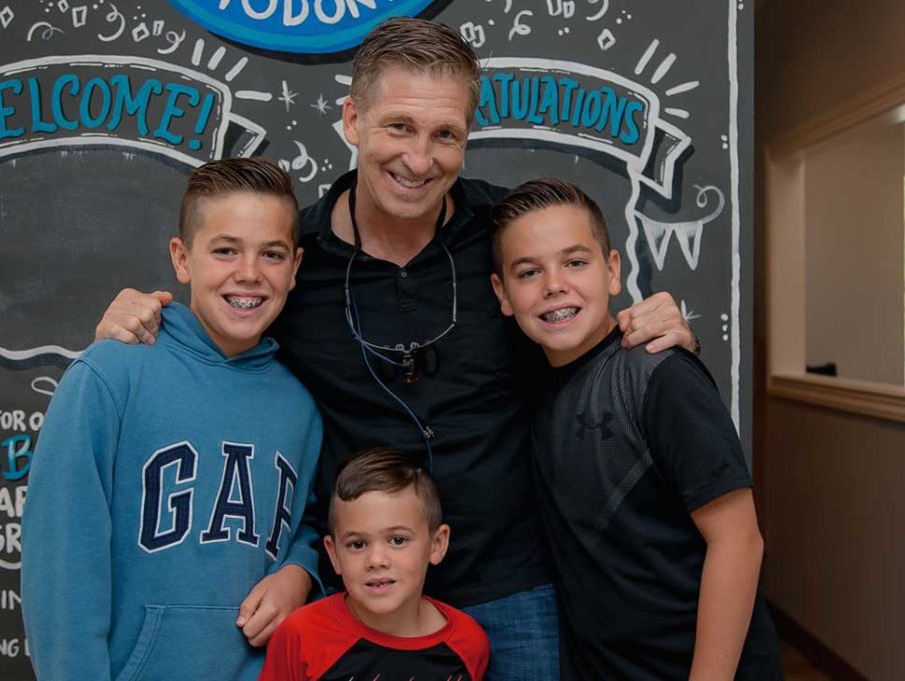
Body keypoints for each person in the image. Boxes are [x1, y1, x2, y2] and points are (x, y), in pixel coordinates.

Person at [93, 18, 695, 679]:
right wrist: (148, 320)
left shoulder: (508, 236)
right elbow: (224, 339)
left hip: (515, 585)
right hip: (358, 598)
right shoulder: (298, 260)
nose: (419, 158)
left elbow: (579, 318)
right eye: (399, 127)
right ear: (353, 119)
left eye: (445, 135)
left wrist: (647, 325)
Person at [21, 158, 324, 681]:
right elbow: (61, 572)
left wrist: (300, 569)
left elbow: (306, 525)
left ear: (294, 267)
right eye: (225, 250)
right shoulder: (111, 375)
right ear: (182, 259)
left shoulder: (298, 407)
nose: (248, 273)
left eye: (270, 254)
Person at [489, 177, 782, 680]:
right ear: (502, 294)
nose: (554, 283)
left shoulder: (661, 374)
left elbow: (738, 541)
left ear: (613, 271)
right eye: (529, 271)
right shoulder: (530, 377)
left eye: (575, 262)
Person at [260, 447, 489, 680]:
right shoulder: (301, 634)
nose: (376, 560)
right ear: (334, 554)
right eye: (358, 544)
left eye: (397, 540)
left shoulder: (468, 643)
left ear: (437, 544)